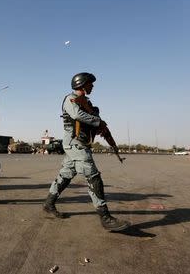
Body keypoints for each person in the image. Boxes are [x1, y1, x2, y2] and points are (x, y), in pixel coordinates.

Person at [42, 73, 130, 231]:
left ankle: (49, 203)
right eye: (90, 83)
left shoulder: (88, 104)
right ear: (82, 84)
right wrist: (98, 121)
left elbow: (97, 124)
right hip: (75, 144)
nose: (93, 86)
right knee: (94, 177)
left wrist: (109, 138)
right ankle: (105, 217)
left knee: (65, 175)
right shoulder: (71, 99)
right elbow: (77, 114)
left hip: (80, 144)